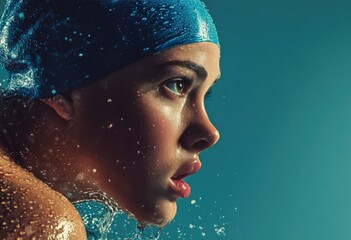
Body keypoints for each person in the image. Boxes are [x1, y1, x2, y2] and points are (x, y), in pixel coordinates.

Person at [0, 0, 221, 238]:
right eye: (176, 85)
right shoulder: (42, 225)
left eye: (205, 95)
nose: (209, 133)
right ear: (64, 91)